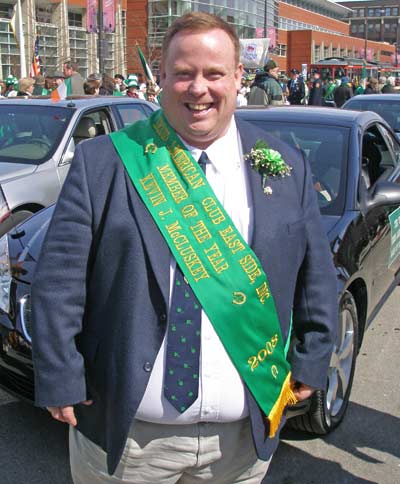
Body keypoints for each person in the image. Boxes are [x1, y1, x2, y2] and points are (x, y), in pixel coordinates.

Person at [31, 12, 337, 484]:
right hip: (129, 438)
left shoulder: (286, 165)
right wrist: (59, 374)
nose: (199, 89)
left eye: (214, 74)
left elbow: (315, 279)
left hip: (242, 441)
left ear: (239, 78)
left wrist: (314, 358)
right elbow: (59, 283)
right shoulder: (104, 164)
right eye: (184, 74)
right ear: (162, 80)